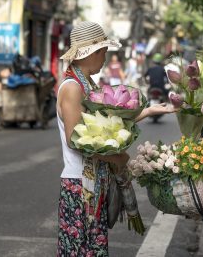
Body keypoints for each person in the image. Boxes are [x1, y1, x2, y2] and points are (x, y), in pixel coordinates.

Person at [57, 22, 175, 256]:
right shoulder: (72, 88)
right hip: (80, 185)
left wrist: (149, 111)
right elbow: (74, 140)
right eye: (103, 53)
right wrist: (116, 156)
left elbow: (109, 126)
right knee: (80, 250)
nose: (105, 59)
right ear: (92, 53)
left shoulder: (88, 84)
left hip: (93, 183)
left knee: (93, 248)